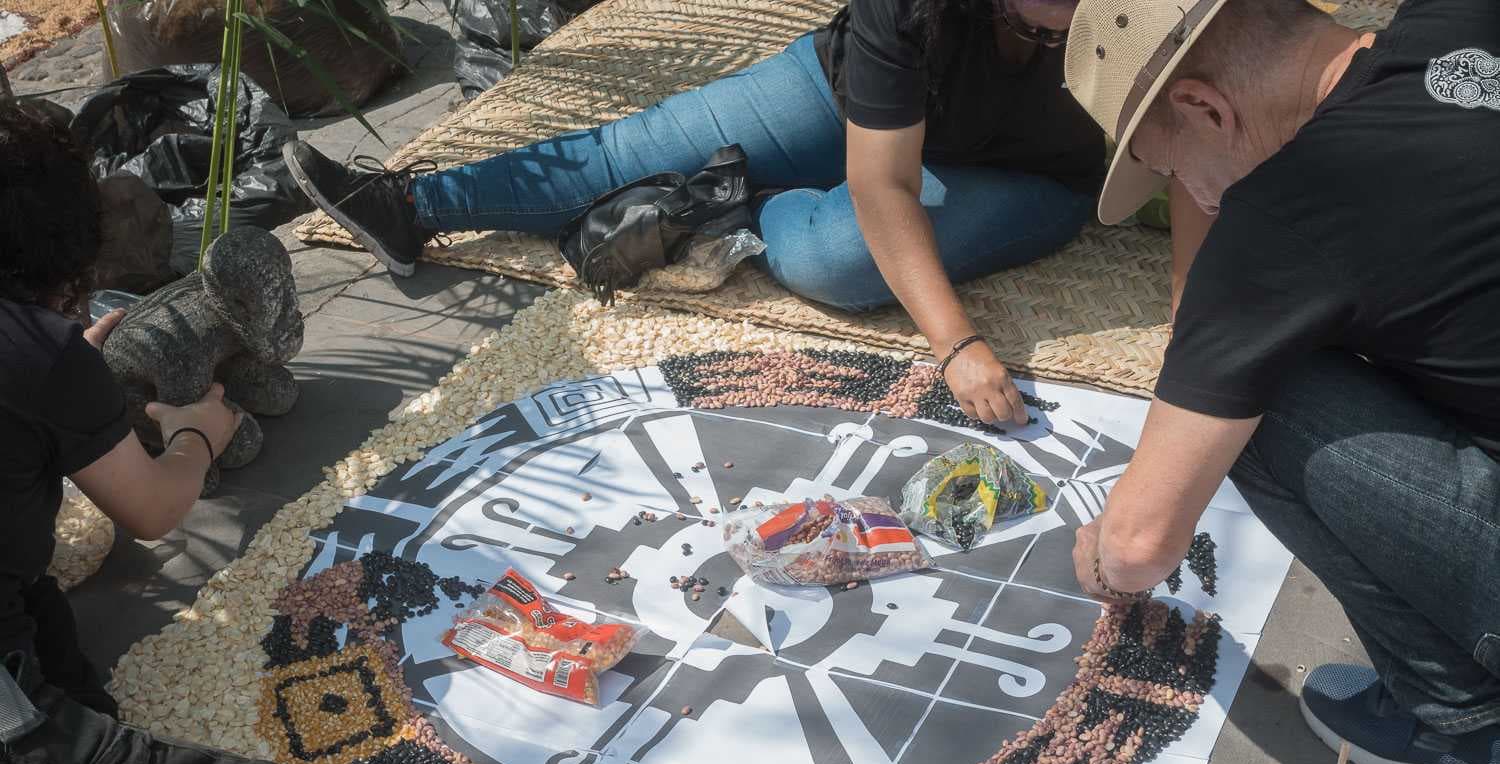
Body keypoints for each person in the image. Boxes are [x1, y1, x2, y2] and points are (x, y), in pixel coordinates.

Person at [284, 0, 1212, 429]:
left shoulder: (1172, 16)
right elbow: (885, 179)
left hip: (1026, 175)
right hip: (854, 98)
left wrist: (1189, 320)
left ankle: (737, 203)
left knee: (841, 260)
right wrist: (959, 349)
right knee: (632, 148)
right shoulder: (912, 10)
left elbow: (1205, 163)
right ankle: (413, 204)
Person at [0, 102, 408, 764]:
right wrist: (200, 434)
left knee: (52, 630)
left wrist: (65, 381)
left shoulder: (38, 355)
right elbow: (153, 510)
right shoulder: (32, 352)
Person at [1060, 0, 1499, 764]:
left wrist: (1093, 555)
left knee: (1259, 392)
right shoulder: (1458, 18)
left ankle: (1463, 722)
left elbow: (1139, 547)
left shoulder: (1286, 216)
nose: (1192, 189)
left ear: (1203, 106)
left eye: (1172, 166)